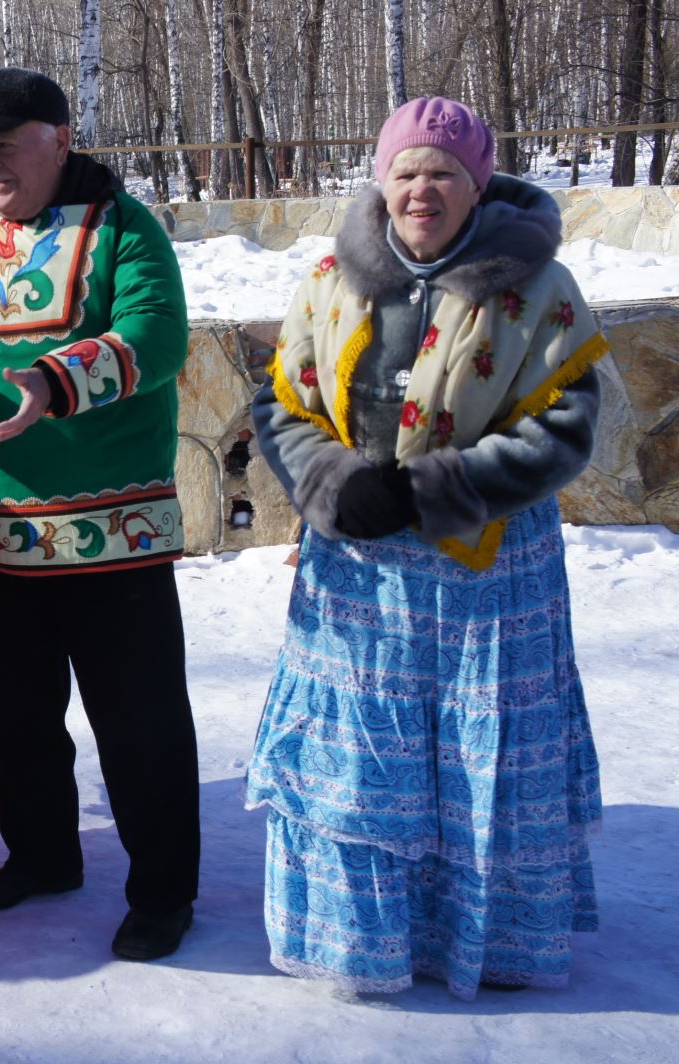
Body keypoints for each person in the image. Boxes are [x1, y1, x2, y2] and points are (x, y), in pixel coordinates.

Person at [246, 96, 606, 998]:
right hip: (360, 565)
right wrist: (333, 483)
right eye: (405, 170)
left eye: (443, 171)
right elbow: (282, 405)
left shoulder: (538, 288)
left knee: (479, 756)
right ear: (381, 178)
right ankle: (366, 940)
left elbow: (567, 425)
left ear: (478, 183)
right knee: (366, 757)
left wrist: (441, 488)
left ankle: (491, 944)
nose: (421, 188)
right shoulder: (332, 275)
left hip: (488, 569)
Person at [0, 68, 200, 961]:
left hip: (118, 535)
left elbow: (158, 334)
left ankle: (163, 891)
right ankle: (41, 856)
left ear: (58, 138)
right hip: (1, 538)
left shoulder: (123, 229)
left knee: (138, 721)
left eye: (3, 142)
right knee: (23, 718)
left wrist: (56, 380)